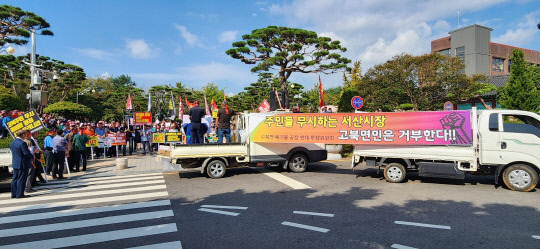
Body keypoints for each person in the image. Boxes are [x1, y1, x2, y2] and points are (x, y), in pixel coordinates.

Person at [10, 129, 33, 198]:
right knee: (21, 179)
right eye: (25, 134)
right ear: (23, 135)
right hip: (22, 163)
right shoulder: (22, 143)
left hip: (15, 162)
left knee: (15, 179)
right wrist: (32, 155)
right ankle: (20, 194)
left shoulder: (12, 142)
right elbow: (26, 153)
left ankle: (14, 193)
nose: (26, 136)